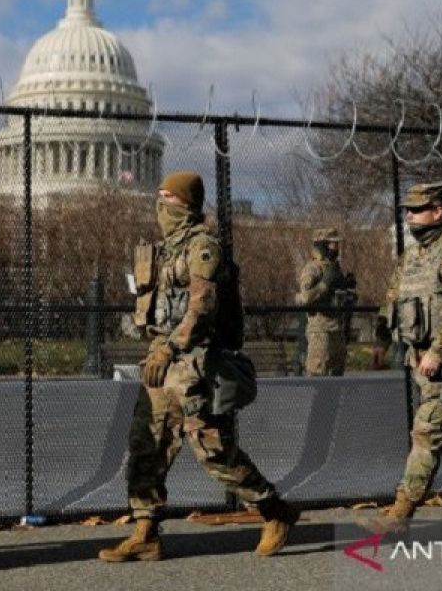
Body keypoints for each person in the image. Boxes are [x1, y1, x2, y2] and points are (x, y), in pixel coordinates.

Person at [99, 171, 298, 562]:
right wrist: (159, 350)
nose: (160, 205)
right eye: (158, 196)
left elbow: (201, 307)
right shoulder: (165, 249)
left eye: (168, 198)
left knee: (213, 450)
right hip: (162, 363)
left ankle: (275, 511)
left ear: (187, 205)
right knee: (146, 447)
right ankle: (145, 531)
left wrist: (169, 348)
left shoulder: (204, 247)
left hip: (195, 364)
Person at [359, 182, 442, 533]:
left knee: (427, 432)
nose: (410, 216)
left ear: (439, 211)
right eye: (407, 210)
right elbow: (391, 302)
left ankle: (400, 514)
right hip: (422, 364)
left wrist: (438, 352)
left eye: (417, 209)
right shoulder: (410, 258)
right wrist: (381, 342)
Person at [296, 228, 356, 376]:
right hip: (320, 331)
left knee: (337, 379)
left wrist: (348, 289)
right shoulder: (313, 268)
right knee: (319, 376)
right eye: (332, 244)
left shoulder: (335, 268)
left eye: (337, 244)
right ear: (322, 245)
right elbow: (304, 299)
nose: (337, 248)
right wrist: (325, 285)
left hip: (338, 330)